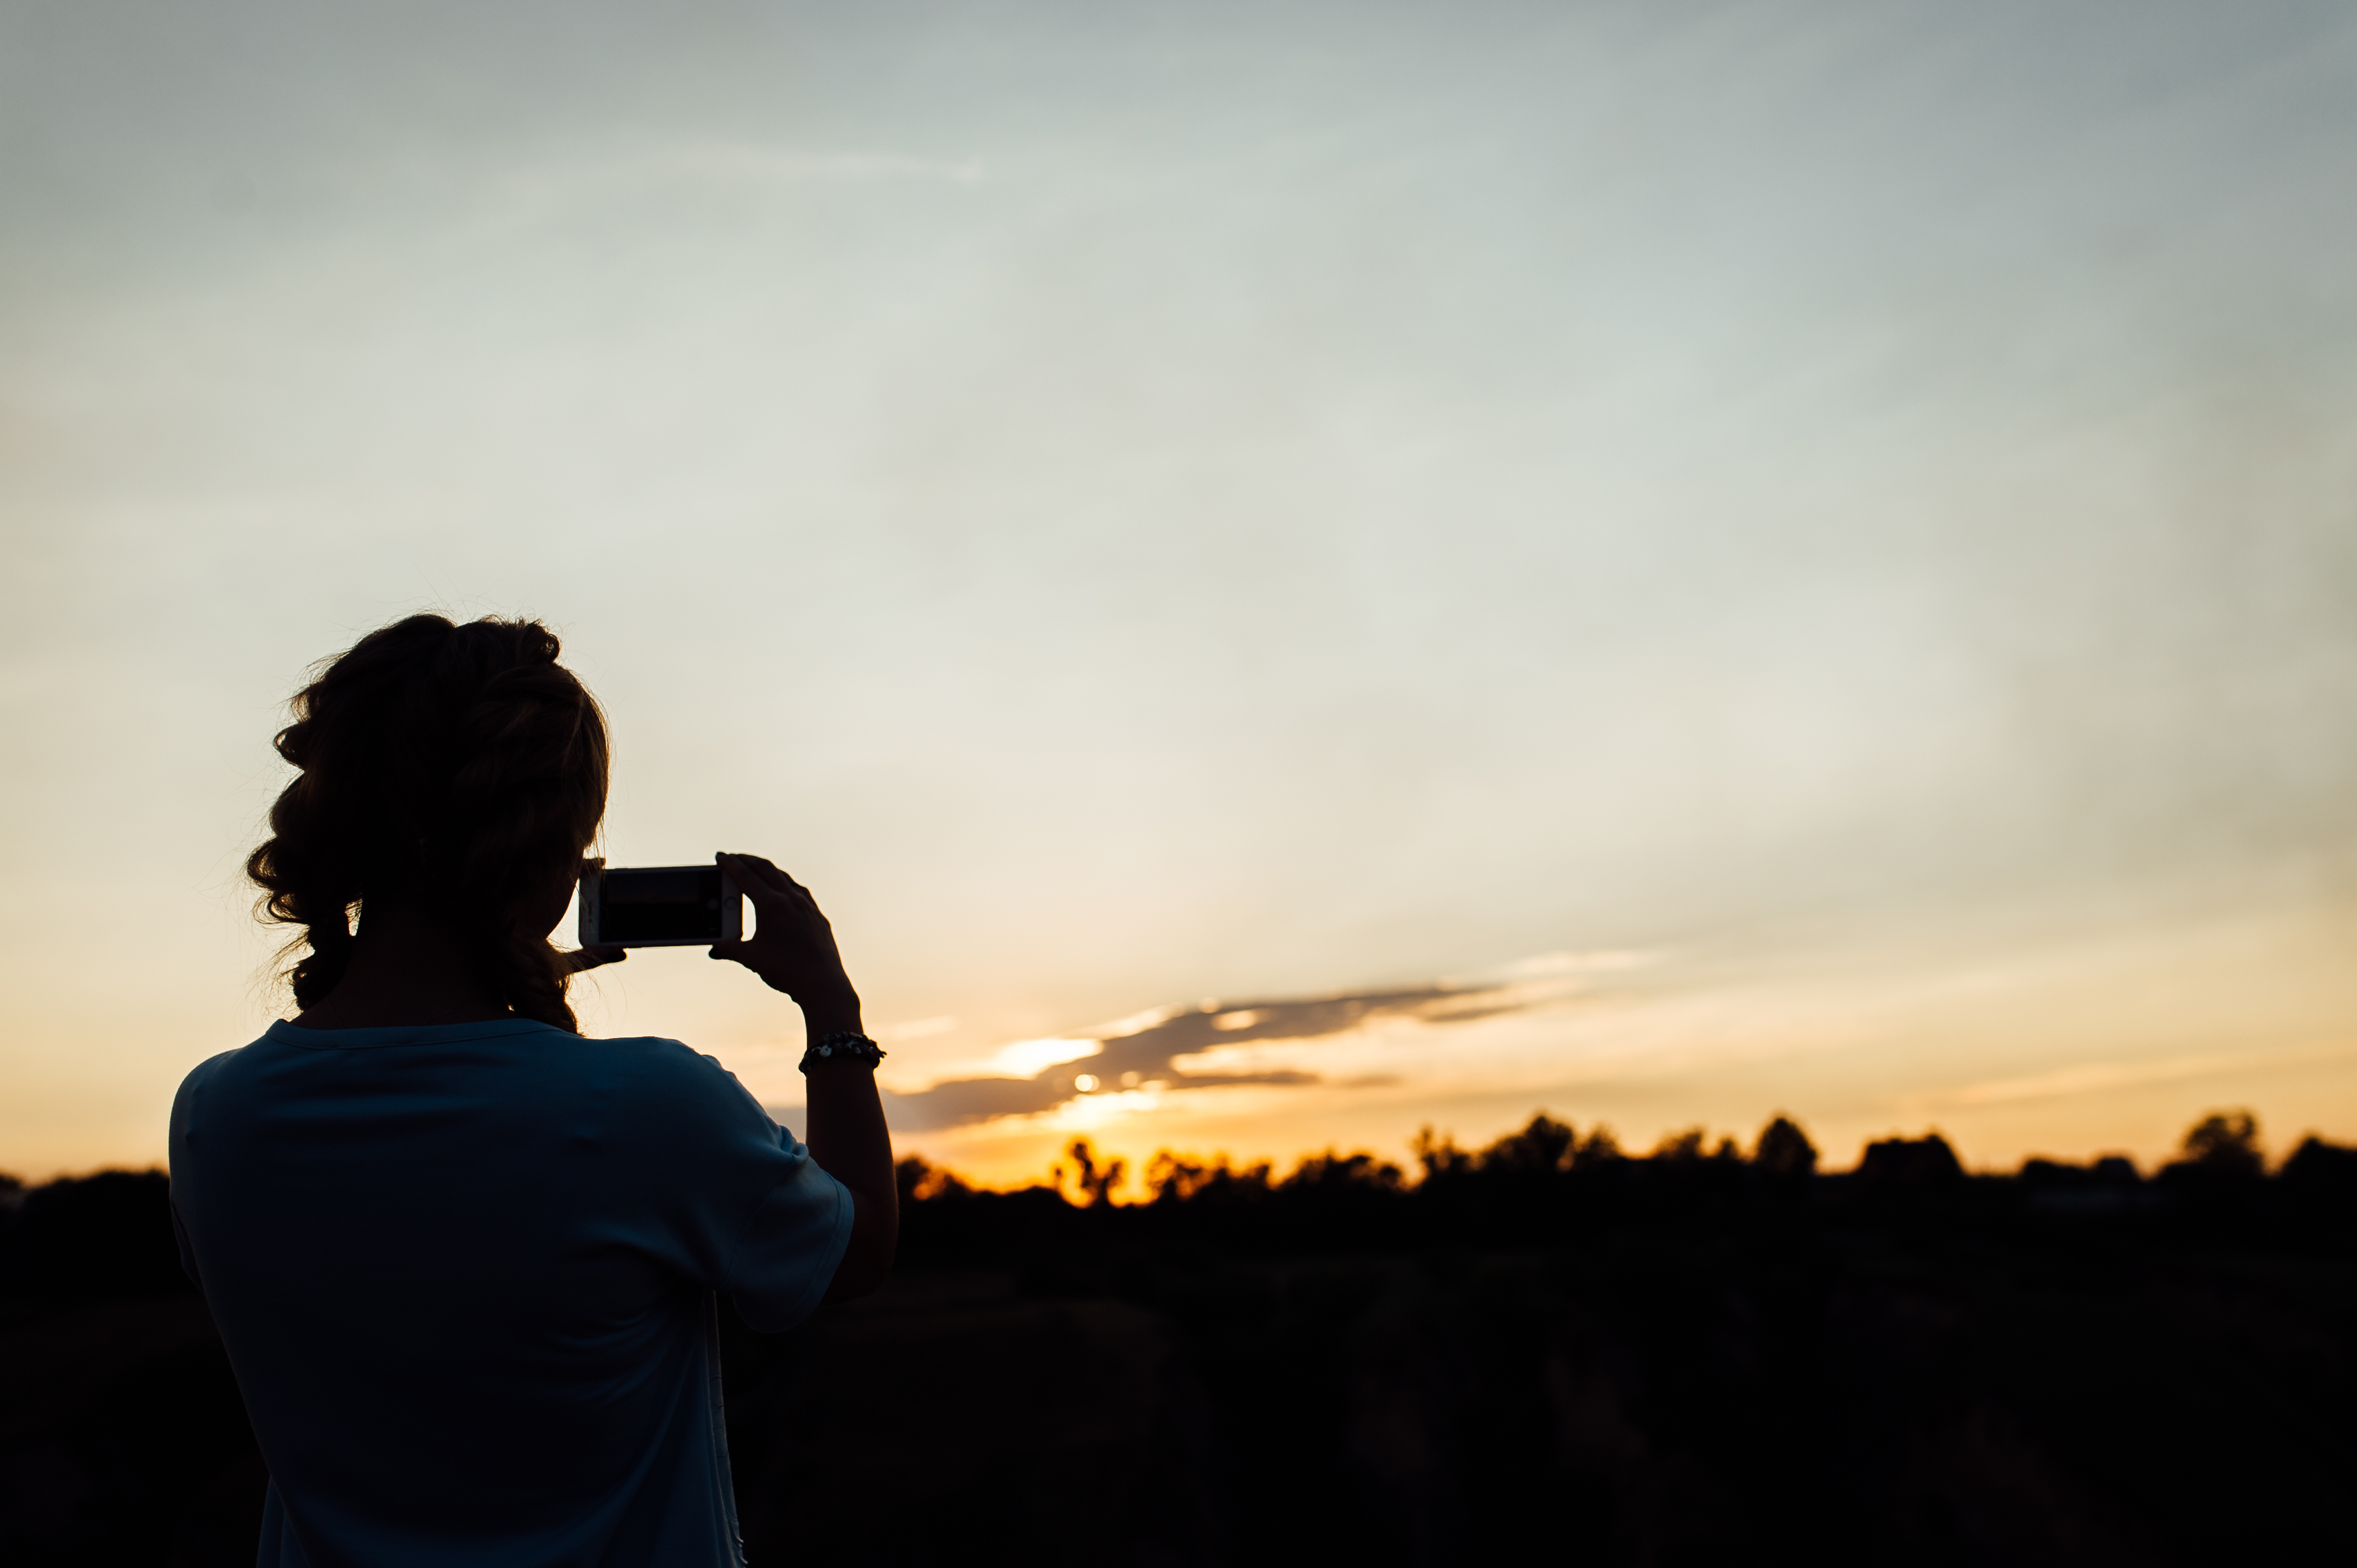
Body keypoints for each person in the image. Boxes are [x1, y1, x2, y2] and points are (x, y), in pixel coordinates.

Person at [167, 614, 896, 1567]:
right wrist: (832, 1015)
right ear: (553, 851)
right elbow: (851, 1254)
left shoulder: (216, 1115)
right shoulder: (648, 1107)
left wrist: (510, 1001)